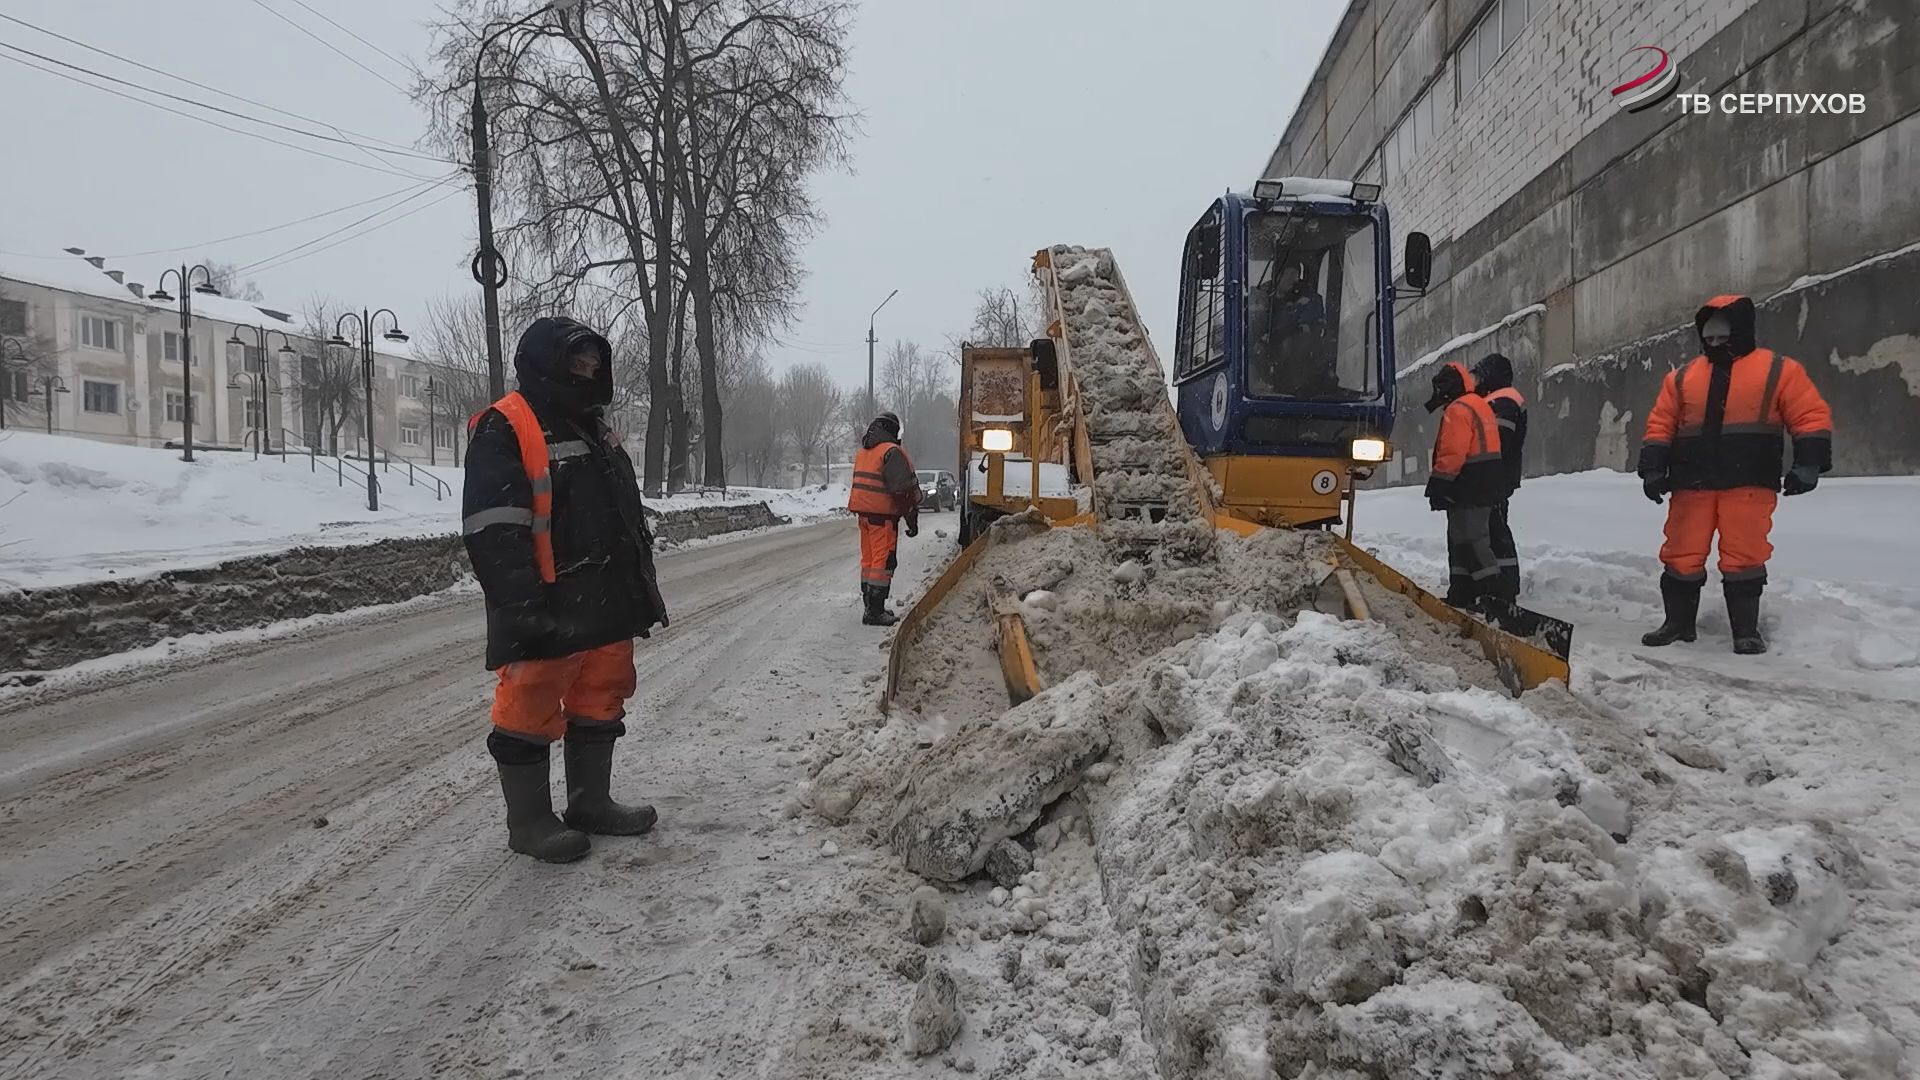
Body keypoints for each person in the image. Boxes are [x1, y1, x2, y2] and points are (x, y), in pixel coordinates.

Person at [463, 316, 669, 863]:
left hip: (604, 599)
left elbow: (620, 512)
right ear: (546, 363)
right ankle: (529, 823)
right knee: (528, 704)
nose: (588, 372)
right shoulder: (506, 426)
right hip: (546, 601)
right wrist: (521, 604)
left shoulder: (592, 426)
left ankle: (590, 802)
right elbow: (493, 528)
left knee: (602, 695)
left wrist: (637, 589)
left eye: (594, 363)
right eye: (577, 362)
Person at [1637, 294, 1832, 655]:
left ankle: (1745, 631)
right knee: (1680, 551)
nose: (1714, 344)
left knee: (1745, 554)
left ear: (1740, 332)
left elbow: (1809, 415)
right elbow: (1661, 423)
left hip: (1749, 480)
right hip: (1692, 481)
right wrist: (1652, 468)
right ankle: (1678, 624)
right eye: (1708, 338)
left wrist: (1809, 463)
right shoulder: (1682, 378)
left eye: (1721, 337)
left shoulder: (1778, 370)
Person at [1424, 361, 1517, 611]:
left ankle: (1492, 597)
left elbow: (1453, 452)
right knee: (1466, 537)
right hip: (1486, 482)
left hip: (1467, 482)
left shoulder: (1457, 409)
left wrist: (1439, 485)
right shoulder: (1478, 403)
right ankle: (1465, 592)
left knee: (1471, 539)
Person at [847, 411, 920, 626]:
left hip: (865, 517)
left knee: (869, 562)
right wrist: (911, 519)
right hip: (882, 519)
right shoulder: (891, 452)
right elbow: (903, 491)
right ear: (892, 431)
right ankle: (875, 611)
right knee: (882, 562)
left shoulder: (864, 453)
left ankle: (870, 605)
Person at [1472, 352, 1528, 595]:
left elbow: (1496, 441)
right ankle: (1495, 587)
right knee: (1490, 531)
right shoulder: (1495, 400)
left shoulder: (1502, 401)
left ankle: (1505, 588)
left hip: (1493, 478)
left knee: (1495, 533)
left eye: (1480, 375)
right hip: (1492, 477)